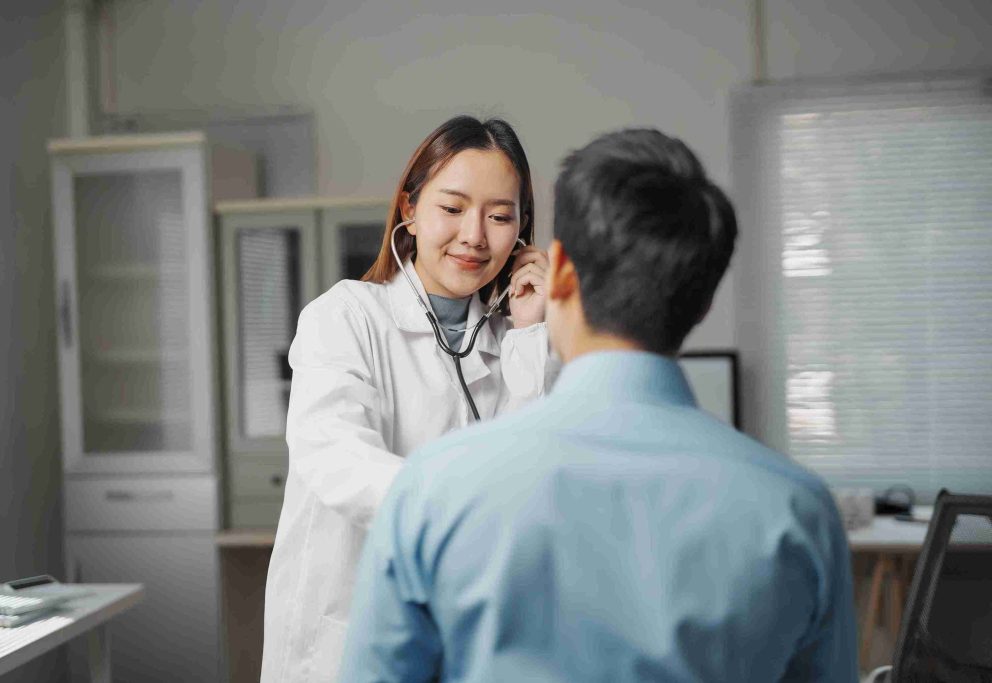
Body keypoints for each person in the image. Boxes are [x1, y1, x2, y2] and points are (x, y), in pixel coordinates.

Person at [340, 128, 858, 682]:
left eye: (499, 216)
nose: (475, 235)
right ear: (703, 301)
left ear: (558, 271)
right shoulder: (799, 512)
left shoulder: (433, 489)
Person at [260, 115, 558, 682]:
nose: (475, 235)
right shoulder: (345, 317)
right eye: (452, 208)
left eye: (499, 216)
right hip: (344, 645)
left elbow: (526, 479)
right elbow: (336, 457)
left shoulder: (510, 345)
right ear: (409, 211)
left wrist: (529, 334)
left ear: (521, 233)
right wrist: (460, 511)